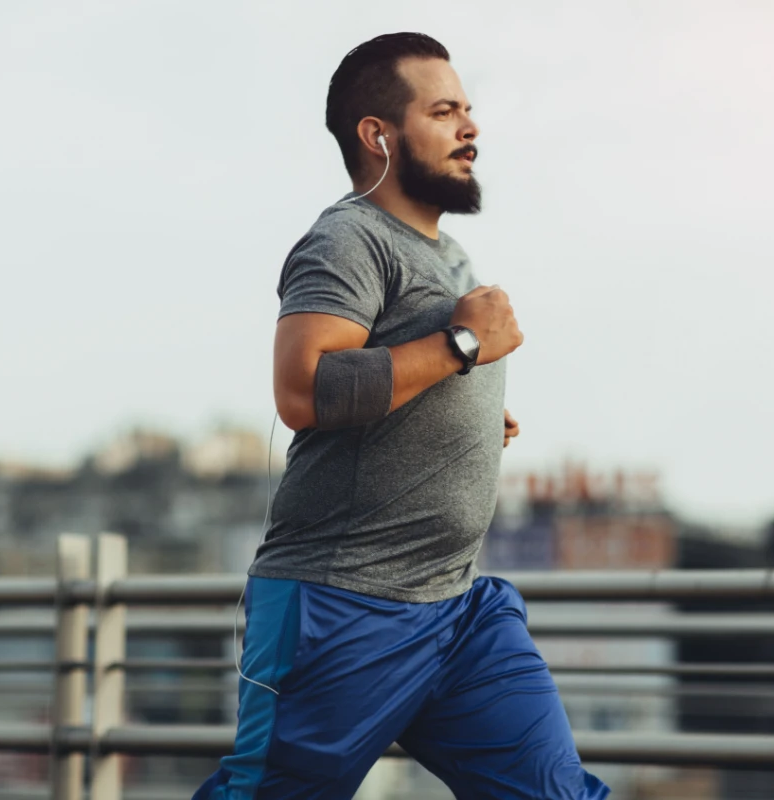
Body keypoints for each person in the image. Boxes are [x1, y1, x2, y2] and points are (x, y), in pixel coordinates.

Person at [193, 32, 608, 800]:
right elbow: (304, 387)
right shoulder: (347, 239)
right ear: (378, 135)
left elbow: (404, 368)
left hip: (459, 608)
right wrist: (461, 345)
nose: (470, 128)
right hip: (341, 605)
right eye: (444, 111)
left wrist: (475, 410)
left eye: (468, 110)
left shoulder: (448, 254)